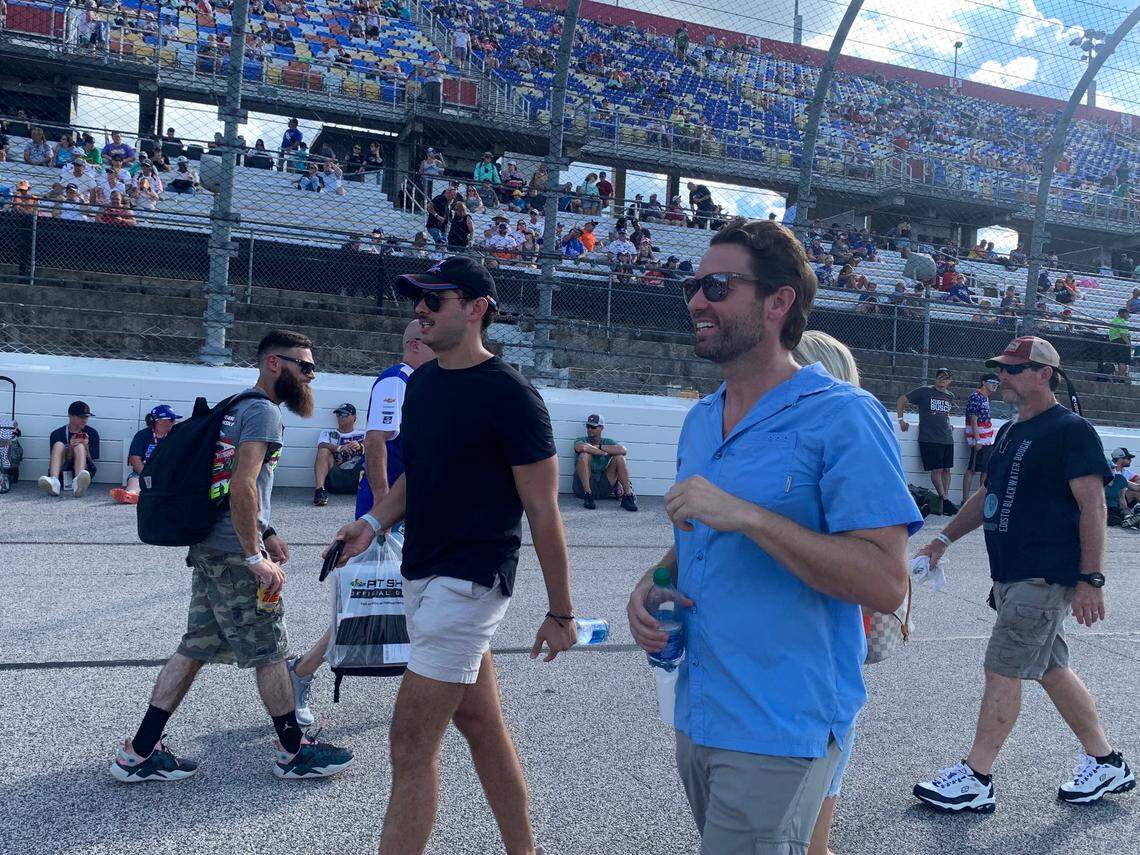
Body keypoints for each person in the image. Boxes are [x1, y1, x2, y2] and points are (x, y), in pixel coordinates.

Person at [626, 219, 922, 855]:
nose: (696, 301)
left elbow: (884, 580)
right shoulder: (702, 421)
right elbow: (699, 541)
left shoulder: (844, 415)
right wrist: (651, 584)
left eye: (718, 286)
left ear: (778, 302)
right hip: (699, 711)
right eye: (692, 287)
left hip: (782, 721)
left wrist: (753, 516)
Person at [326, 257, 576, 855]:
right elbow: (419, 477)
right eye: (418, 299)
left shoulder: (514, 398)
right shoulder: (428, 384)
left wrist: (561, 612)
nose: (421, 309)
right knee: (481, 725)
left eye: (436, 299)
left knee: (410, 744)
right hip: (423, 570)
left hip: (470, 582)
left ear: (477, 308)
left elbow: (543, 511)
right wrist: (371, 523)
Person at [109, 330, 354, 783]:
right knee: (271, 649)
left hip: (210, 547)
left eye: (312, 367)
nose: (311, 375)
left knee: (195, 647)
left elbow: (230, 486)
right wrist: (254, 554)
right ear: (274, 364)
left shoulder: (238, 406)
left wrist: (269, 530)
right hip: (233, 554)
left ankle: (138, 753)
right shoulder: (262, 412)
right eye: (305, 366)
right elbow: (242, 485)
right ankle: (294, 752)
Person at [912, 335, 1133, 812]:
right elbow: (987, 494)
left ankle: (977, 776)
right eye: (1000, 369)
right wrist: (942, 540)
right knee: (1052, 669)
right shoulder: (1010, 431)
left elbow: (1092, 507)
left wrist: (1090, 579)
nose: (1002, 377)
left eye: (1013, 369)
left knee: (1002, 668)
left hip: (1043, 575)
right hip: (1011, 575)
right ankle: (1107, 761)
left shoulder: (1071, 431)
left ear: (1044, 375)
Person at [288, 322, 437, 727]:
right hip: (389, 513)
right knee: (368, 606)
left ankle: (426, 693)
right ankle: (301, 670)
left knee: (420, 603)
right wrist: (384, 511)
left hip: (414, 510)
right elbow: (375, 443)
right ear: (417, 344)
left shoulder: (427, 383)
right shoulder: (396, 381)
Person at [789, 331, 864, 855]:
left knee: (811, 818)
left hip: (820, 641)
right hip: (807, 641)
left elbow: (875, 569)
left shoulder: (847, 448)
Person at [898, 369, 959, 515]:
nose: (943, 380)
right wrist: (901, 420)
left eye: (946, 378)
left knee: (946, 469)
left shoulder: (950, 396)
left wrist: (948, 423)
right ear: (936, 378)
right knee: (937, 469)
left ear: (950, 381)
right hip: (930, 438)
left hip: (946, 437)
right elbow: (902, 399)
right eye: (940, 377)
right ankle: (944, 499)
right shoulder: (924, 391)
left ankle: (945, 500)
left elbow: (945, 413)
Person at [110, 405, 181, 505]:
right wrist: (147, 475)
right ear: (160, 420)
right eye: (172, 420)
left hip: (166, 473)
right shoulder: (142, 435)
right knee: (135, 481)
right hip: (143, 473)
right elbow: (134, 459)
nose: (175, 423)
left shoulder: (176, 436)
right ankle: (131, 495)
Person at [573, 413, 638, 511]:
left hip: (603, 486)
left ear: (601, 428)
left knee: (619, 458)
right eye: (588, 426)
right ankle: (588, 495)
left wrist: (598, 447)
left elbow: (623, 450)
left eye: (593, 427)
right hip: (582, 488)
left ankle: (628, 496)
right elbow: (581, 447)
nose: (590, 429)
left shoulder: (608, 442)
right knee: (584, 455)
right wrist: (602, 453)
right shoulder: (581, 440)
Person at [38, 401, 100, 498]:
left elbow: (92, 462)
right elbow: (57, 460)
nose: (84, 420)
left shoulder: (92, 433)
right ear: (70, 416)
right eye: (81, 417)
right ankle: (54, 482)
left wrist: (86, 447)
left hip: (84, 476)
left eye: (86, 417)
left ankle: (78, 483)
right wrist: (70, 448)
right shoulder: (57, 434)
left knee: (80, 446)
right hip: (62, 474)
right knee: (58, 444)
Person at [313, 403, 365, 507]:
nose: (341, 417)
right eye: (339, 414)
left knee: (373, 450)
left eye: (345, 414)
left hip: (358, 480)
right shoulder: (328, 433)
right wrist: (339, 448)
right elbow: (321, 444)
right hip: (335, 479)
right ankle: (320, 491)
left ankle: (377, 490)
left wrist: (361, 446)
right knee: (323, 450)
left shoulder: (364, 434)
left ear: (354, 417)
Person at [962, 373, 999, 503]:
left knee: (985, 470)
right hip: (980, 440)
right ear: (983, 382)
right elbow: (973, 418)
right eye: (992, 382)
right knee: (972, 469)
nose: (995, 385)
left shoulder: (985, 398)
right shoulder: (976, 397)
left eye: (997, 383)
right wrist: (977, 440)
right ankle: (965, 501)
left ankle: (981, 501)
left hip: (987, 440)